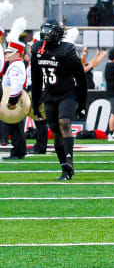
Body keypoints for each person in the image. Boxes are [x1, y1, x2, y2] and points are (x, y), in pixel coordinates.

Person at [31, 19, 88, 180]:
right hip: (49, 95)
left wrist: (82, 104)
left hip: (67, 94)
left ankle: (70, 160)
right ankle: (64, 167)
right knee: (56, 132)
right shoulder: (37, 49)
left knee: (65, 123)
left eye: (50, 31)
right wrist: (36, 103)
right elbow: (36, 79)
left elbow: (81, 79)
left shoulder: (66, 50)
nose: (46, 34)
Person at [2, 39, 28, 160]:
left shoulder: (16, 66)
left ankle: (18, 152)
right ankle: (18, 151)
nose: (6, 54)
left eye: (9, 52)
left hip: (14, 99)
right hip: (15, 98)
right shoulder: (15, 65)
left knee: (15, 126)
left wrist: (11, 102)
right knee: (15, 127)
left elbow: (16, 85)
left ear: (18, 53)